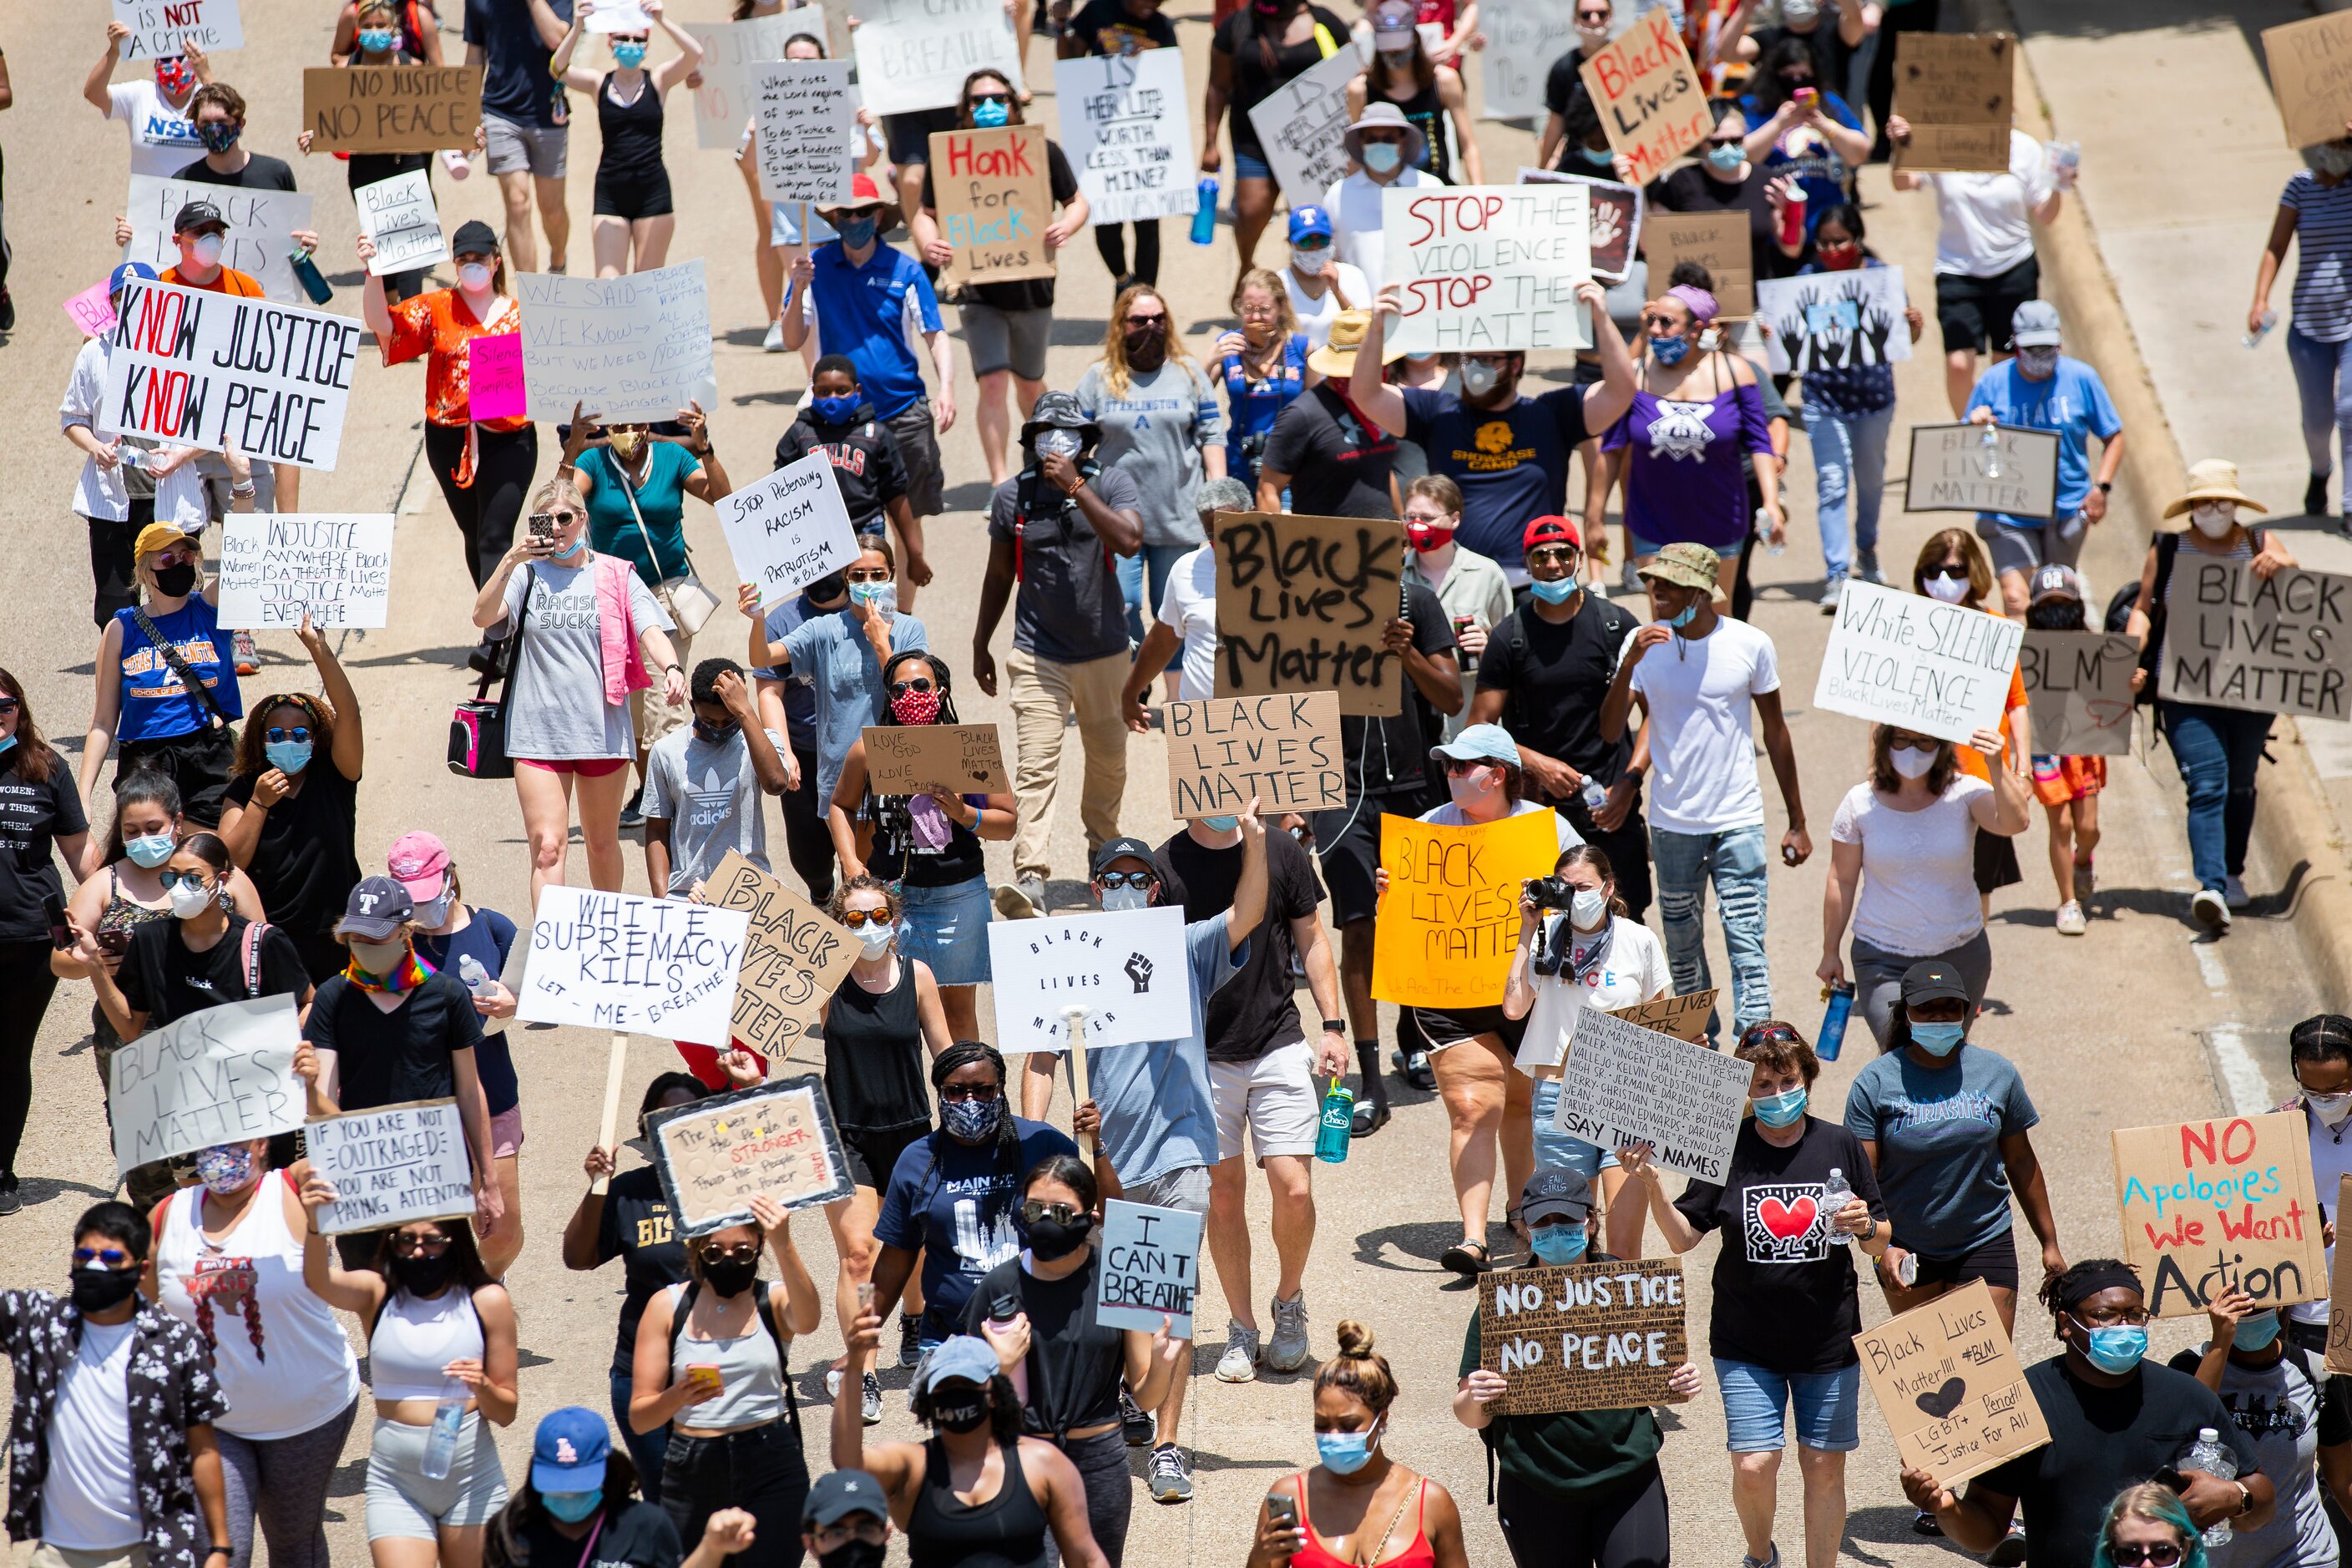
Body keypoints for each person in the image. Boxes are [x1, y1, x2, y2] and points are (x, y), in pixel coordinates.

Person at [1617, 1021, 1889, 1568]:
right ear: (1744, 1090)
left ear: (1806, 1078)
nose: (1776, 1095)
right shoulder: (1725, 1150)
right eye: (1761, 1085)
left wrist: (1863, 1227)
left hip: (1827, 1342)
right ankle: (1758, 1555)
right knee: (1752, 1464)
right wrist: (1649, 1184)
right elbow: (1682, 1237)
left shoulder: (1838, 1143)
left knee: (1822, 1466)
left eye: (1785, 1081)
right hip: (1745, 1341)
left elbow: (1880, 1239)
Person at [1048, 819, 1263, 1502]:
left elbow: (1249, 911)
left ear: (1154, 891)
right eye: (1111, 879)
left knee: (1165, 1300)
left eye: (1138, 878)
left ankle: (1166, 1447)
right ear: (1095, 889)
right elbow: (1040, 1056)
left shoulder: (1186, 948)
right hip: (1103, 1164)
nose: (1124, 888)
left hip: (1177, 1158)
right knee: (1119, 1304)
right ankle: (1132, 1398)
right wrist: (1049, 1134)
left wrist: (1254, 840)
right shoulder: (1068, 958)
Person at [1373, 726, 1581, 1275]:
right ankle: (1472, 1240)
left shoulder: (1548, 831)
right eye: (1449, 766)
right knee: (1473, 1105)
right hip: (1449, 991)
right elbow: (1399, 915)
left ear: (1502, 772)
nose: (1454, 775)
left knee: (1522, 1105)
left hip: (1530, 991)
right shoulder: (1427, 831)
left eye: (1466, 766)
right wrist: (1390, 892)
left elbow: (1587, 904)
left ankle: (1521, 1209)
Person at [1905, 1261, 2274, 1568]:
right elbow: (1986, 1529)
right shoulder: (2024, 1402)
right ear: (2067, 1324)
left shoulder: (2185, 1397)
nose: (2124, 1327)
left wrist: (2237, 1496)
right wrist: (1946, 1509)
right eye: (2105, 1316)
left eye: (2134, 1314)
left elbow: (2263, 1499)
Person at [1151, 801, 1345, 1383]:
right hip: (1201, 1054)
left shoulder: (1282, 849)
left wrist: (1332, 1025)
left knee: (1292, 1186)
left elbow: (1311, 939)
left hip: (1276, 1039)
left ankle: (1289, 1304)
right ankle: (1240, 1326)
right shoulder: (1164, 866)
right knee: (1223, 1194)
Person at [1599, 544, 1808, 1041]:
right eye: (1653, 584)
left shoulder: (1750, 643)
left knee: (1747, 944)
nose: (1656, 594)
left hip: (1738, 820)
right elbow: (1611, 731)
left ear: (1700, 591)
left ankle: (1758, 1051)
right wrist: (1628, 663)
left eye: (1668, 586)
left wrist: (1797, 820)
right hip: (1673, 827)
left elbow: (1775, 731)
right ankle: (1703, 1044)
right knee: (1682, 945)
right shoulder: (1641, 644)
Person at [1455, 1170, 1702, 1568]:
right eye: (1543, 1223)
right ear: (1526, 1229)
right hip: (1535, 1483)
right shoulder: (1501, 1303)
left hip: (1628, 1475)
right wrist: (1476, 1397)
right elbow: (1467, 1414)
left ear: (1589, 1222)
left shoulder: (1628, 1286)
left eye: (1566, 1221)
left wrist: (1683, 1381)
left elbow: (1663, 1368)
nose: (1555, 1231)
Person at [145, 1139, 363, 1568]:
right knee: (221, 1550)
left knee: (294, 1546)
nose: (220, 1152)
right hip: (213, 1422)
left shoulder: (295, 1190)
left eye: (234, 1139)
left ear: (263, 1142)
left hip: (308, 1415)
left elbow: (345, 1144)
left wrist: (315, 1087)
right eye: (208, 1140)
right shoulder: (167, 1215)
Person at [1306, 544, 1463, 1134]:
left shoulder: (1417, 604)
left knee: (1416, 923)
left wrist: (1408, 653)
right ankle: (1370, 1081)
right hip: (1340, 794)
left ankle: (1410, 1035)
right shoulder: (1308, 613)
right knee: (1360, 928)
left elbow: (1450, 696)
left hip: (1412, 788)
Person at [52, 774, 262, 1211]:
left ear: (177, 823)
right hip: (131, 1041)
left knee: (215, 1152)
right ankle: (158, 1237)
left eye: (153, 828)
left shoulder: (225, 879)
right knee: (148, 1162)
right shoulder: (105, 884)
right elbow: (60, 960)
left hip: (210, 1037)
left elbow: (259, 947)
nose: (143, 838)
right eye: (132, 831)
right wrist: (94, 961)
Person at [472, 480, 686, 907]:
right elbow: (483, 615)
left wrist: (672, 667)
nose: (556, 527)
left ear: (582, 520)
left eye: (564, 518)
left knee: (602, 845)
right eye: (545, 520)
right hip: (537, 732)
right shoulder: (527, 574)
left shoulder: (614, 573)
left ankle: (606, 936)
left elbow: (650, 628)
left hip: (601, 732)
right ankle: (553, 951)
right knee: (548, 847)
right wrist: (512, 558)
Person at [964, 1157, 1185, 1565]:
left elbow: (1147, 1397)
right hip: (1022, 1461)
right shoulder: (998, 1287)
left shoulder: (1118, 1280)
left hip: (1099, 1462)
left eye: (1062, 1212)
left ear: (1091, 1217)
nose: (1046, 1221)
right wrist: (997, 1366)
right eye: (1034, 1210)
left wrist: (1162, 1364)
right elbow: (959, 1396)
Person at [972, 394, 1144, 917]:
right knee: (1036, 765)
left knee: (1108, 761)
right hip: (1037, 653)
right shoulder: (1012, 498)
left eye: (1067, 432)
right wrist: (981, 641)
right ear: (1031, 441)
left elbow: (1131, 539)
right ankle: (1031, 876)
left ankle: (1102, 852)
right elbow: (1000, 573)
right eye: (1046, 431)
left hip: (1106, 654)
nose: (1056, 441)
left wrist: (1075, 486)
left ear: (1086, 441)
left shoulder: (1111, 482)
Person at [1354, 279, 1635, 584]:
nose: (1475, 368)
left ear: (1515, 365)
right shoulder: (1437, 413)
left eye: (1488, 360)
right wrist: (1377, 329)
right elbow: (1366, 394)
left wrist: (1602, 320)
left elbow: (1621, 390)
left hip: (1535, 579)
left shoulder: (1551, 414)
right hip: (1458, 580)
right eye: (1469, 358)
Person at [0, 1201, 230, 1568]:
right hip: (58, 1553)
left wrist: (220, 1547)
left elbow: (203, 1448)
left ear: (141, 1270)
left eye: (109, 1258)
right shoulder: (39, 1325)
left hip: (148, 1551)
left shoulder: (176, 1343)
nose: (94, 1266)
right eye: (84, 1255)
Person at [565, 1068, 758, 1502]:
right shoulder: (627, 1192)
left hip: (720, 1366)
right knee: (666, 1497)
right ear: (646, 1126)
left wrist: (751, 1090)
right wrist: (597, 1188)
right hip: (642, 1373)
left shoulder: (733, 1188)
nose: (676, 1126)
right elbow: (577, 1258)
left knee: (724, 1496)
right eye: (664, 1117)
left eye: (688, 1115)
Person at [295, 1198, 519, 1568]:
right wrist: (315, 1222)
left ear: (454, 1241)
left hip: (472, 1480)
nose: (418, 1250)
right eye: (406, 1240)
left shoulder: (487, 1301)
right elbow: (316, 1280)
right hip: (396, 1483)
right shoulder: (377, 1293)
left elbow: (507, 1411)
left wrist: (482, 1386)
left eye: (431, 1241)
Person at [2125, 460, 2298, 932]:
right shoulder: (2168, 549)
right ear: (2191, 507)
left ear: (2237, 504)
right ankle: (2212, 887)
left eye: (2223, 502)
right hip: (2186, 692)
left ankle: (2234, 872)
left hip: (2250, 693)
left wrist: (2283, 566)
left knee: (2241, 781)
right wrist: (2126, 656)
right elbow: (2143, 610)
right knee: (2207, 782)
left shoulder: (2260, 544)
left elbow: (2302, 599)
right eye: (2204, 502)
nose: (2214, 510)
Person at [1845, 960, 2065, 1328]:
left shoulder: (1998, 1073)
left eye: (1949, 1006)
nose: (1939, 1017)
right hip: (1906, 1245)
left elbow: (2022, 1162)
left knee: (1988, 1374)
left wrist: (2049, 1243)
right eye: (1926, 1008)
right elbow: (1864, 1178)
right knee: (1930, 1377)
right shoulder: (1874, 1082)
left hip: (1985, 1237)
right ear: (1906, 1014)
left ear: (1966, 1009)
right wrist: (1879, 1249)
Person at [293, 878, 506, 1255]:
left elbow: (471, 1092)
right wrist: (308, 1087)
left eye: (377, 938)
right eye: (357, 937)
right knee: (373, 1304)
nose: (365, 947)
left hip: (436, 1180)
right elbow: (324, 1107)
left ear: (405, 932)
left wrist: (487, 1182)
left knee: (440, 1297)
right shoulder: (332, 999)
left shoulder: (446, 995)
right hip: (363, 1185)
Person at [807, 874, 951, 1424]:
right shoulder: (824, 980)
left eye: (877, 916)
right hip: (845, 1134)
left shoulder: (917, 977)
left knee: (912, 1249)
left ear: (895, 921)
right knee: (859, 1255)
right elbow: (757, 986)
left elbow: (943, 1052)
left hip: (912, 1132)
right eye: (854, 918)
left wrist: (975, 1101)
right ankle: (861, 1370)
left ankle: (915, 1320)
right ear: (838, 926)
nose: (868, 926)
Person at [362, 219, 534, 669]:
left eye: (480, 259)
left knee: (496, 534)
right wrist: (373, 272)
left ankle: (498, 641)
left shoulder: (522, 315)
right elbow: (384, 325)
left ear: (496, 262)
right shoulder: (437, 307)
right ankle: (511, 625)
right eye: (463, 260)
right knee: (475, 535)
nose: (471, 266)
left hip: (509, 439)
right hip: (448, 439)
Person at [780, 172, 955, 600]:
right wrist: (799, 284)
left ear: (879, 216)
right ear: (834, 217)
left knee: (905, 521)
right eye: (845, 212)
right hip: (836, 422)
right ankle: (840, 611)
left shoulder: (906, 269)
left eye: (862, 212)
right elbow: (790, 338)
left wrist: (947, 387)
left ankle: (903, 621)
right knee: (834, 521)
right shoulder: (814, 268)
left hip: (902, 412)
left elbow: (935, 333)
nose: (854, 219)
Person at [915, 69, 1089, 489]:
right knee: (992, 381)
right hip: (978, 291)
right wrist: (929, 243)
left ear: (1014, 103)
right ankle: (999, 483)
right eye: (978, 100)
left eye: (998, 98)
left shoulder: (1042, 152)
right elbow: (925, 213)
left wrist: (1067, 226)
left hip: (1033, 288)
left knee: (1029, 383)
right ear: (966, 109)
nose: (989, 107)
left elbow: (1077, 202)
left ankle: (1047, 464)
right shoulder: (949, 159)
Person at [565, 403, 736, 822]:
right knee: (636, 711)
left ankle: (678, 807)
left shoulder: (674, 458)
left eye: (636, 423)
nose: (629, 433)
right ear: (606, 428)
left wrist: (705, 447)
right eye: (619, 425)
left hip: (666, 594)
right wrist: (570, 450)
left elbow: (723, 499)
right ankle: (650, 792)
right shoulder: (592, 462)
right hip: (611, 595)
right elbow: (553, 514)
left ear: (648, 423)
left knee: (668, 703)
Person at [630, 1199, 820, 1568]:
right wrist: (677, 1395)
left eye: (743, 1251)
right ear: (696, 1250)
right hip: (694, 1464)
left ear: (759, 1247)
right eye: (715, 1252)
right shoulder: (667, 1306)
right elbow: (640, 1417)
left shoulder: (773, 1299)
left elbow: (810, 1319)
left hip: (772, 1460)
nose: (729, 1260)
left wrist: (785, 1243)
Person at [827, 656, 1010, 1037]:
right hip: (890, 902)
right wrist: (849, 862)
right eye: (899, 689)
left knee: (958, 1014)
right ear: (889, 697)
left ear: (941, 691)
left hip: (956, 900)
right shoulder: (869, 751)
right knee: (895, 1011)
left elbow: (1007, 822)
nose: (911, 696)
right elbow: (840, 804)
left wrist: (963, 813)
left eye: (921, 687)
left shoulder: (968, 748)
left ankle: (962, 1094)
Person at [868, 1043, 1080, 1371]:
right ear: (940, 1093)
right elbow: (896, 1257)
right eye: (956, 1091)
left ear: (1001, 1090)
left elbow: (1106, 1207)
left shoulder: (1039, 1144)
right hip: (951, 1338)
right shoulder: (917, 1161)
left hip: (1040, 1331)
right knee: (962, 1421)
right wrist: (862, 1340)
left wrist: (1097, 1147)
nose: (970, 1101)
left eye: (983, 1090)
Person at [1470, 516, 1648, 903]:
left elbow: (1657, 715)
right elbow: (1478, 728)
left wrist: (1628, 785)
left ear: (1579, 559)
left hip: (1610, 806)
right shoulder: (1510, 636)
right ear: (1528, 562)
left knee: (1624, 918)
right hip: (1538, 812)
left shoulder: (1615, 624)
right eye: (1541, 555)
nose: (1553, 564)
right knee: (1543, 923)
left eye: (1563, 554)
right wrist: (1537, 764)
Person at [1818, 725, 2029, 1048]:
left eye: (1924, 741)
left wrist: (1997, 764)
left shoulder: (1966, 793)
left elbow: (2015, 822)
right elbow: (1841, 879)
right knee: (1902, 1056)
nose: (1911, 749)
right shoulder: (1858, 802)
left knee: (1948, 1055)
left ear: (1942, 745)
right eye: (1901, 740)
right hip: (1882, 958)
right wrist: (1829, 951)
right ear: (1885, 743)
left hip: (1961, 956)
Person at [828, 1328, 1110, 1567]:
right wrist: (855, 1365)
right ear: (929, 1398)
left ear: (996, 1394)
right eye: (946, 1385)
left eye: (967, 1384)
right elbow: (848, 1462)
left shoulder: (1042, 1463)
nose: (957, 1393)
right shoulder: (912, 1467)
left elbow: (1086, 1559)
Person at [393, 832, 530, 1276]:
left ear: (450, 877)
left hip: (491, 1094)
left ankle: (487, 1280)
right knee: (430, 1233)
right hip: (423, 1107)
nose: (420, 910)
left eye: (426, 896)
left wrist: (515, 1003)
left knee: (503, 1230)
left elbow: (545, 988)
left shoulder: (493, 927)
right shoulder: (391, 943)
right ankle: (459, 1303)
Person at [1501, 845, 1665, 1211]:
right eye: (1564, 887)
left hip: (1625, 1091)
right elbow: (1514, 1008)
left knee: (1624, 1245)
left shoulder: (1639, 939)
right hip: (1557, 1093)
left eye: (1584, 887)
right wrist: (1527, 930)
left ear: (1608, 887)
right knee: (1569, 1232)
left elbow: (1661, 1021)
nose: (1574, 896)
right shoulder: (1545, 934)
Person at [1599, 279, 1780, 597]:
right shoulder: (1636, 375)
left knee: (1714, 618)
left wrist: (1771, 503)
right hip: (1653, 521)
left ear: (1696, 328)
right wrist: (1594, 516)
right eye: (1652, 319)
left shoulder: (1737, 372)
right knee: (1665, 622)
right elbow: (1612, 448)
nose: (1655, 329)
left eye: (1667, 322)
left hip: (1719, 519)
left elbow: (1759, 443)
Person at [1247, 1320, 1471, 1568]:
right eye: (1322, 1424)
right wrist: (1260, 1557)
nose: (1333, 1435)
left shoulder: (1432, 1503)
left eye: (1348, 1425)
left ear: (1382, 1418)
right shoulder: (1290, 1496)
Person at [743, 536, 927, 838]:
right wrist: (758, 621)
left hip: (896, 770)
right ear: (846, 578)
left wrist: (881, 645)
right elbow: (762, 656)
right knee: (854, 875)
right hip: (840, 779)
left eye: (878, 575)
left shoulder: (910, 630)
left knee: (885, 878)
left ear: (892, 574)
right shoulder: (824, 629)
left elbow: (913, 698)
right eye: (858, 576)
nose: (868, 582)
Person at [72, 831, 313, 1060]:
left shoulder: (262, 942)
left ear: (222, 880)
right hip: (183, 1086)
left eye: (193, 879)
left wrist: (293, 1046)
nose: (180, 887)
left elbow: (309, 1002)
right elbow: (129, 1029)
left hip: (245, 1084)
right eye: (171, 877)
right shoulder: (150, 940)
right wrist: (95, 965)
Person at [216, 619, 365, 984]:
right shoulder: (245, 789)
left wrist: (319, 649)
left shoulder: (335, 777)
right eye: (277, 735)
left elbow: (349, 714)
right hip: (272, 940)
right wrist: (259, 804)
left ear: (315, 739)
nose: (289, 741)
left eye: (299, 734)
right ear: (261, 740)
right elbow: (227, 861)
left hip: (336, 936)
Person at [1075, 286, 1226, 645]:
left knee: (1172, 611)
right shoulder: (1098, 378)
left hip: (1179, 517)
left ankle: (1173, 695)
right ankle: (1135, 686)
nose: (1150, 327)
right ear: (1121, 326)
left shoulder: (1189, 372)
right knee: (1122, 604)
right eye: (1139, 320)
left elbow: (1212, 436)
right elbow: (1076, 447)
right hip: (1118, 519)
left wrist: (1218, 502)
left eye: (1159, 319)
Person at [1887, 112, 2062, 417]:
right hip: (1958, 270)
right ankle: (1969, 432)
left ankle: (2007, 432)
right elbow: (1903, 182)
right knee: (1958, 364)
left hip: (2014, 268)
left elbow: (2045, 214)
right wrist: (1899, 145)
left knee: (2006, 363)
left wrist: (2060, 185)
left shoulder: (2025, 149)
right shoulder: (1944, 142)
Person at [78, 518, 247, 827]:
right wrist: (83, 795)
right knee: (151, 862)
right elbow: (103, 722)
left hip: (207, 756)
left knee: (211, 856)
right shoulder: (120, 630)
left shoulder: (210, 611)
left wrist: (242, 483)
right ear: (144, 571)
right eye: (167, 559)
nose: (180, 564)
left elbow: (245, 555)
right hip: (145, 762)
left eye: (186, 556)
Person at [1791, 201, 1920, 601]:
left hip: (1874, 401)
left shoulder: (1881, 279)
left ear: (1857, 239)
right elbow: (1790, 342)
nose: (1830, 251)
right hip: (1822, 400)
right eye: (1823, 244)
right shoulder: (1806, 279)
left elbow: (1903, 340)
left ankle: (1867, 548)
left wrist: (1914, 326)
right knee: (1832, 483)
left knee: (1870, 481)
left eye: (1839, 242)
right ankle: (1836, 572)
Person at [1965, 301, 2125, 615]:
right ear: (2014, 343)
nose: (2040, 355)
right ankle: (2019, 665)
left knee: (2055, 601)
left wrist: (2101, 488)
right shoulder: (1993, 382)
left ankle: (2050, 661)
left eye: (2047, 347)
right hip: (2008, 513)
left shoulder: (2082, 378)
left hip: (2066, 510)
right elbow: (1961, 448)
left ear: (2059, 341)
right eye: (2031, 348)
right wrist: (1977, 424)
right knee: (2016, 598)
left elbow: (2114, 436)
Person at [0, 675, 92, 1214]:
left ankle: (3, 1169)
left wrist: (119, 905)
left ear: (20, 708)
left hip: (30, 938)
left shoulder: (46, 768)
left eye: (5, 705)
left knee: (11, 1055)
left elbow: (81, 855)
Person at [2180, 1286, 2352, 1568]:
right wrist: (2220, 1342)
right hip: (2213, 1559)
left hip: (2303, 1556)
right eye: (2238, 1306)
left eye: (2257, 1306)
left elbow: (2343, 1479)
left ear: (2281, 1305)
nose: (2248, 1313)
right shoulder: (2190, 1367)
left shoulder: (2313, 1371)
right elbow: (2185, 1432)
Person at [485, 1407, 756, 1568]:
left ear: (606, 1470)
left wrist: (711, 1548)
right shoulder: (509, 1534)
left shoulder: (647, 1526)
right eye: (558, 1485)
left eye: (579, 1485)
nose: (568, 1494)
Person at [549, 0, 701, 276]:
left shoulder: (658, 80)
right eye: (622, 38)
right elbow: (558, 69)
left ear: (646, 45)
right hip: (611, 191)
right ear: (610, 43)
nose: (630, 43)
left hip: (653, 192)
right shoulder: (599, 83)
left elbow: (694, 53)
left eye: (637, 39)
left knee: (647, 286)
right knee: (609, 286)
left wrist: (662, 20)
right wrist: (579, 26)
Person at [1204, 0, 1353, 268]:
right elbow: (1217, 86)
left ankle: (1316, 276)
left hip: (1318, 144)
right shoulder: (1236, 27)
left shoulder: (1325, 22)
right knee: (1251, 211)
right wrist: (1210, 142)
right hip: (1253, 140)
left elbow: (1354, 74)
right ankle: (1246, 265)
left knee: (1318, 220)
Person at [62, 263, 167, 628]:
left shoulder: (180, 354)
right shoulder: (93, 355)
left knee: (170, 594)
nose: (135, 305)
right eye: (126, 297)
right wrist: (94, 447)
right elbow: (72, 419)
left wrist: (179, 455)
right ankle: (121, 674)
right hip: (109, 501)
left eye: (145, 296)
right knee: (115, 607)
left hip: (163, 495)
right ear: (113, 302)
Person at [2256, 131, 2352, 526]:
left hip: (2350, 324)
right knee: (2318, 419)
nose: (2338, 153)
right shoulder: (2300, 188)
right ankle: (2320, 469)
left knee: (2349, 411)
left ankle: (2349, 503)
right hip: (2309, 327)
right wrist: (2260, 298)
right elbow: (2275, 245)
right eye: (2334, 144)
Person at [643, 660, 792, 898]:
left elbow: (776, 783)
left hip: (749, 890)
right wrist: (664, 903)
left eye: (729, 721)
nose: (720, 729)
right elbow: (657, 830)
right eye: (710, 722)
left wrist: (745, 712)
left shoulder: (760, 741)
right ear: (693, 707)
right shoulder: (666, 752)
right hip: (687, 894)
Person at [1059, 0, 1179, 291]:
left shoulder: (1162, 26)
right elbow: (1070, 61)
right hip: (1103, 140)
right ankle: (1123, 281)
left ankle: (1146, 295)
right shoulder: (1098, 11)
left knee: (1148, 225)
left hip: (1143, 142)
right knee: (1106, 223)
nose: (1153, 5)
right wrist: (1062, 27)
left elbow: (1168, 79)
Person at [771, 357, 921, 581]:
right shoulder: (800, 434)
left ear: (857, 390)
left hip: (867, 530)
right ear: (813, 392)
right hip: (818, 536)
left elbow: (896, 495)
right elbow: (779, 493)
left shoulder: (876, 435)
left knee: (867, 595)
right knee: (822, 602)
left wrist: (914, 554)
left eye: (842, 391)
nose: (833, 399)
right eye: (823, 392)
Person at [1644, 102, 1808, 301]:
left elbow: (1792, 249)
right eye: (1718, 142)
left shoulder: (1765, 180)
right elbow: (1652, 242)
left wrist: (1790, 214)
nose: (1728, 148)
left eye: (1736, 140)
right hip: (1694, 307)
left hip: (1752, 305)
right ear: (1704, 142)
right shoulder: (1683, 180)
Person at [2023, 566, 2107, 933]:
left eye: (2063, 603)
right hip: (2047, 751)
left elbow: (2109, 695)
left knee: (2088, 828)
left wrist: (2129, 683)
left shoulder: (2095, 649)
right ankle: (2068, 903)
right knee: (2061, 825)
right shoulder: (2024, 651)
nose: (2056, 610)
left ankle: (2083, 859)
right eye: (2048, 604)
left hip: (2085, 749)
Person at [1120, 479, 1250, 716]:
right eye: (1214, 535)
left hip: (1275, 721)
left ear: (1252, 515)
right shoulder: (1187, 571)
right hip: (1206, 724)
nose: (1225, 543)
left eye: (1233, 529)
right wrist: (1130, 694)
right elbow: (1163, 639)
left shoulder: (1292, 567)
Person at [1259, 308, 1402, 518]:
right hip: (1322, 546)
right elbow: (1268, 488)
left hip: (1383, 544)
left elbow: (1383, 471)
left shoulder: (1381, 404)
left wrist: (1402, 527)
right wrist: (1275, 546)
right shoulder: (1302, 415)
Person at [465, 0, 574, 275]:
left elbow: (557, 40)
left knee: (553, 210)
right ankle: (531, 295)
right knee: (517, 202)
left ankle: (558, 264)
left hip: (547, 115)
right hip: (500, 112)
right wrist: (467, 114)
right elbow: (475, 56)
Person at [1404, 478, 1511, 743]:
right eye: (1410, 516)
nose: (1418, 525)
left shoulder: (1486, 574)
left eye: (1428, 517)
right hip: (1414, 726)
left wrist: (1490, 648)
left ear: (1454, 520)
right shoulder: (1395, 575)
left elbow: (1514, 654)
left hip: (1468, 724)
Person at [1735, 37, 1868, 243]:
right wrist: (1778, 125)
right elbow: (1742, 158)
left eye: (1804, 75)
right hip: (1776, 223)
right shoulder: (1753, 107)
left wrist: (1825, 125)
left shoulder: (1830, 104)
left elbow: (1859, 154)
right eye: (1788, 76)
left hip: (1826, 226)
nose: (1796, 81)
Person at [1328, 99, 1448, 302]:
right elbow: (1332, 259)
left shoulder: (1431, 189)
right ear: (1361, 142)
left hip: (1422, 311)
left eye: (1389, 138)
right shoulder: (1338, 194)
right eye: (1372, 138)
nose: (1380, 144)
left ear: (1403, 141)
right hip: (1362, 317)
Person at [2284, 1016, 2352, 1359]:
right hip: (2305, 1311)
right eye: (2311, 1090)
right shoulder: (2276, 1129)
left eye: (2336, 1089)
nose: (2324, 1099)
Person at [1213, 271, 1312, 490]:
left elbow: (1318, 407)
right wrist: (1212, 356)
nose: (1256, 317)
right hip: (1239, 462)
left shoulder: (1300, 347)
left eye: (1265, 310)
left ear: (1281, 308)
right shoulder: (1229, 345)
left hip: (1290, 464)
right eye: (1248, 309)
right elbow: (1196, 396)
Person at [86, 23, 211, 177]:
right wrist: (114, 51)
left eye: (182, 57)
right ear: (155, 63)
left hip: (201, 199)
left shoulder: (208, 97)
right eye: (166, 58)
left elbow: (231, 121)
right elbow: (94, 94)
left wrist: (206, 75)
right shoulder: (141, 94)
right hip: (150, 199)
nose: (174, 64)